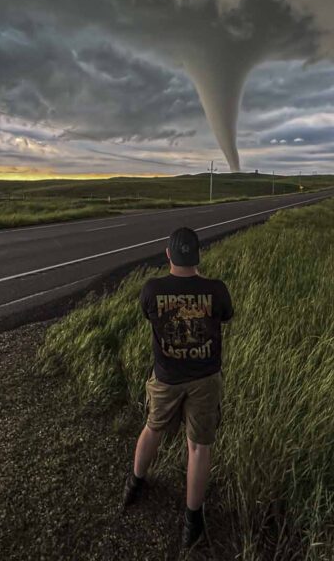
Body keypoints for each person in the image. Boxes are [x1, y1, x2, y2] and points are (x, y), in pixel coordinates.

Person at [122, 226, 234, 549]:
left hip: (166, 378)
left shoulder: (152, 289)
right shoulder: (216, 290)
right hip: (205, 378)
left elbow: (147, 314)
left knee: (153, 428)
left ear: (168, 254)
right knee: (198, 447)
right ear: (198, 256)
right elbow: (226, 315)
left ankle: (135, 482)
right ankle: (192, 519)